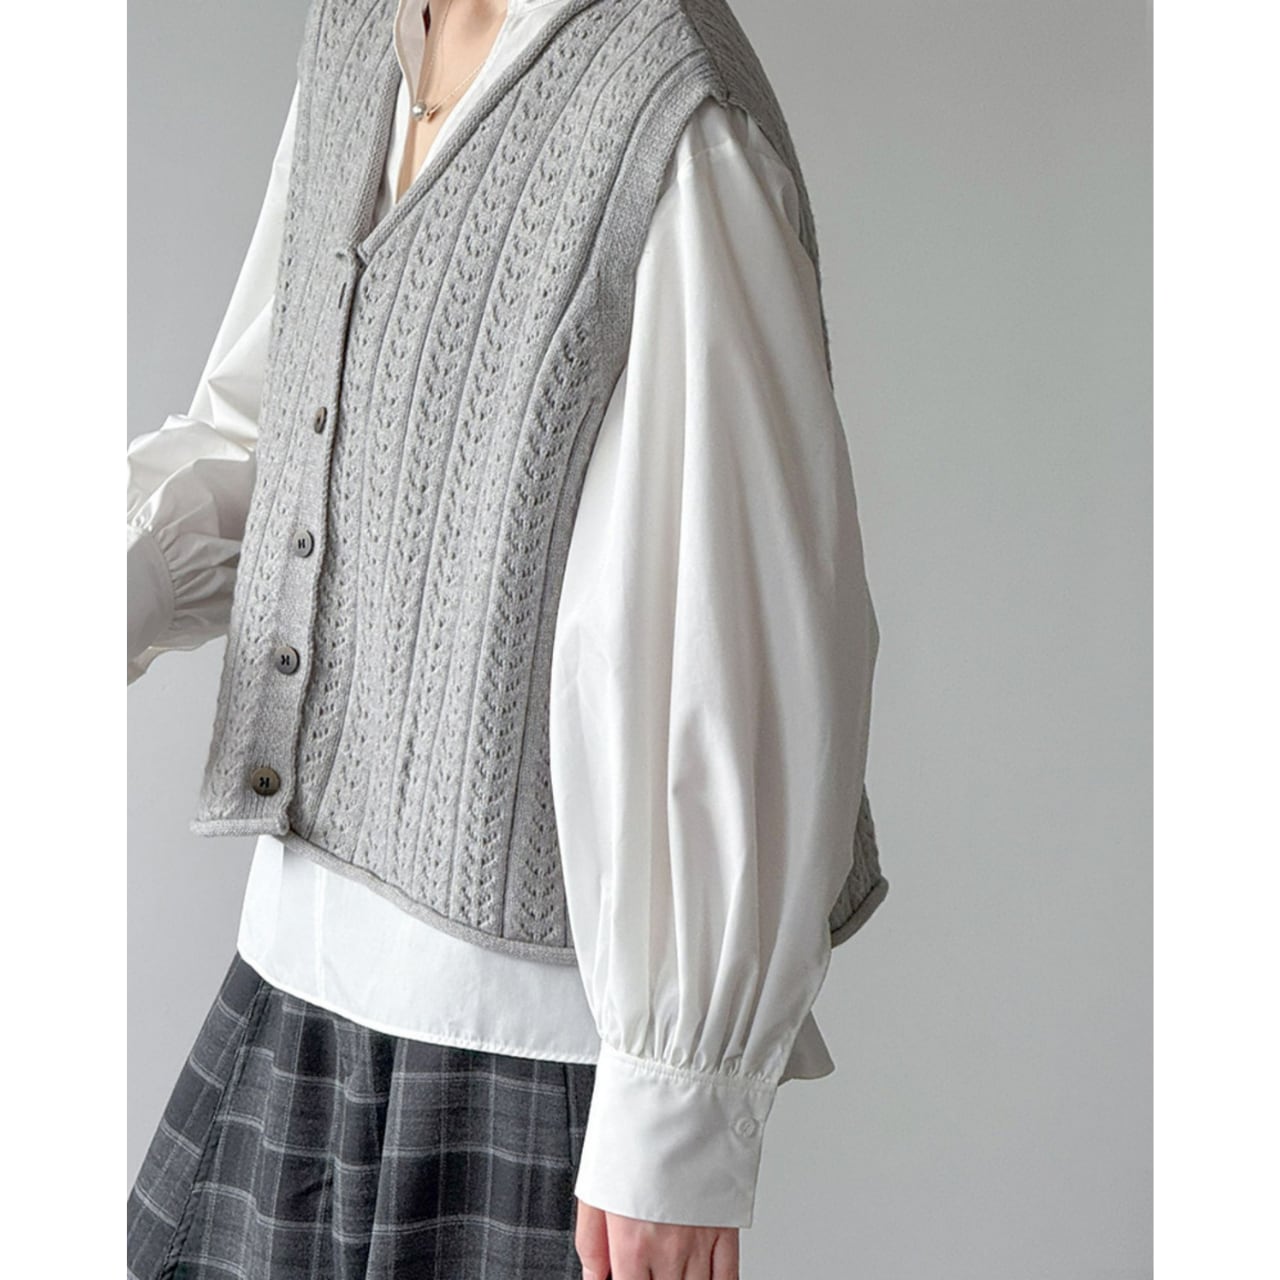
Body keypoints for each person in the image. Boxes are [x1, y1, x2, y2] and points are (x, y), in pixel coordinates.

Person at [126, 0, 888, 1276]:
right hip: (296, 970)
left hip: (516, 1052)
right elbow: (290, 426)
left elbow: (738, 620)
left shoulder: (670, 107)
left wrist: (679, 1107)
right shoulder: (360, 31)